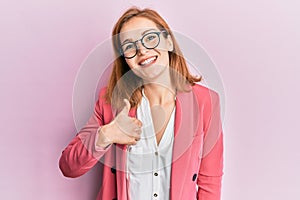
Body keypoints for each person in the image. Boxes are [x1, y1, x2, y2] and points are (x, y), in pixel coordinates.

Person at [59, 7, 224, 200]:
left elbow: (210, 182)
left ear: (168, 41)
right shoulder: (111, 102)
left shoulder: (206, 102)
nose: (142, 50)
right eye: (129, 46)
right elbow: (68, 166)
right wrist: (106, 134)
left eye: (150, 38)